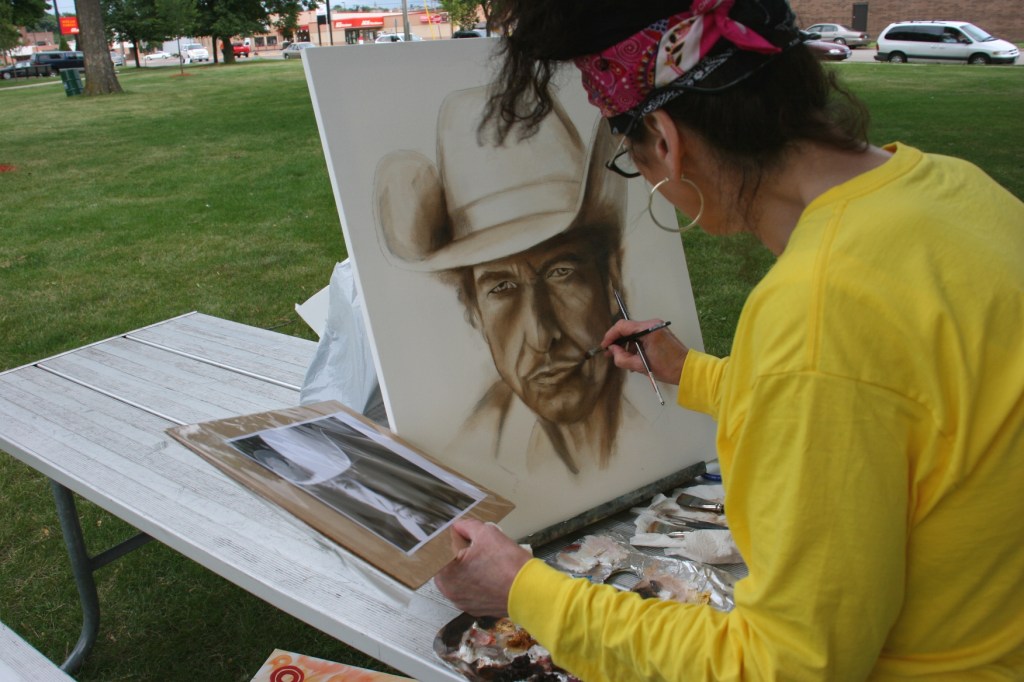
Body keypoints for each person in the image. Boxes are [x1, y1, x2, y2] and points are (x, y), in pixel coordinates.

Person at [434, 0, 1024, 679]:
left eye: (633, 159)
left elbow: (786, 667)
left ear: (665, 136)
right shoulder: (956, 189)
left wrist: (524, 591)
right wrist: (698, 375)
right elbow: (908, 410)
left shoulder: (822, 316)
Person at [374, 85, 648, 475]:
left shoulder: (665, 418)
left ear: (610, 278)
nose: (541, 334)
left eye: (561, 273)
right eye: (501, 288)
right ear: (474, 313)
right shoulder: (470, 456)